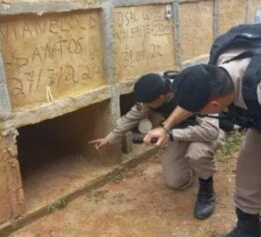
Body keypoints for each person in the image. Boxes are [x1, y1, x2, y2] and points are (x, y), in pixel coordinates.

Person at [143, 25, 261, 236]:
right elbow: (194, 99)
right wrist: (165, 127)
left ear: (214, 106)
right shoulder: (219, 64)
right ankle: (248, 227)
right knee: (248, 165)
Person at [89, 73, 223, 220]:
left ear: (160, 97)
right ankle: (192, 167)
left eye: (148, 103)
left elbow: (211, 132)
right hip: (179, 132)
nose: (145, 106)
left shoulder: (193, 92)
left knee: (197, 153)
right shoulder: (155, 96)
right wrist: (109, 139)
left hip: (208, 131)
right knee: (175, 182)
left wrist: (170, 135)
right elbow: (131, 117)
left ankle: (206, 190)